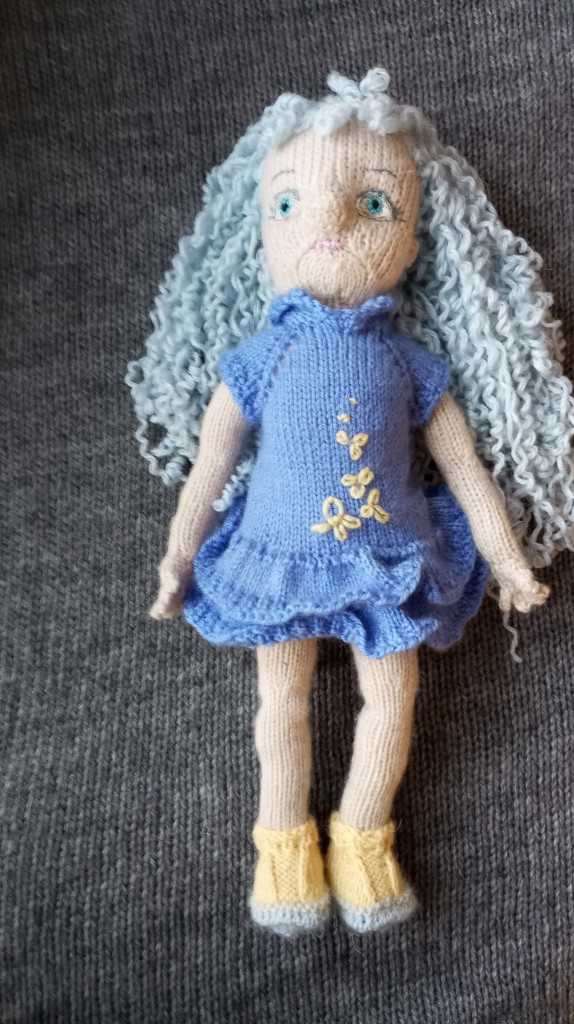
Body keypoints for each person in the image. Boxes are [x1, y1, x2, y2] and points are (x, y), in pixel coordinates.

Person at [127, 70, 573, 936]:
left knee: (394, 701)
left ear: (412, 231)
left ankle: (364, 837)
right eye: (290, 205)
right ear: (262, 226)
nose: (328, 225)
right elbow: (211, 463)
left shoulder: (412, 365)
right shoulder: (260, 359)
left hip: (388, 561)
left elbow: (466, 470)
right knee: (279, 704)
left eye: (372, 204)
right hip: (275, 558)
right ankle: (282, 846)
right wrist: (178, 555)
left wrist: (509, 560)